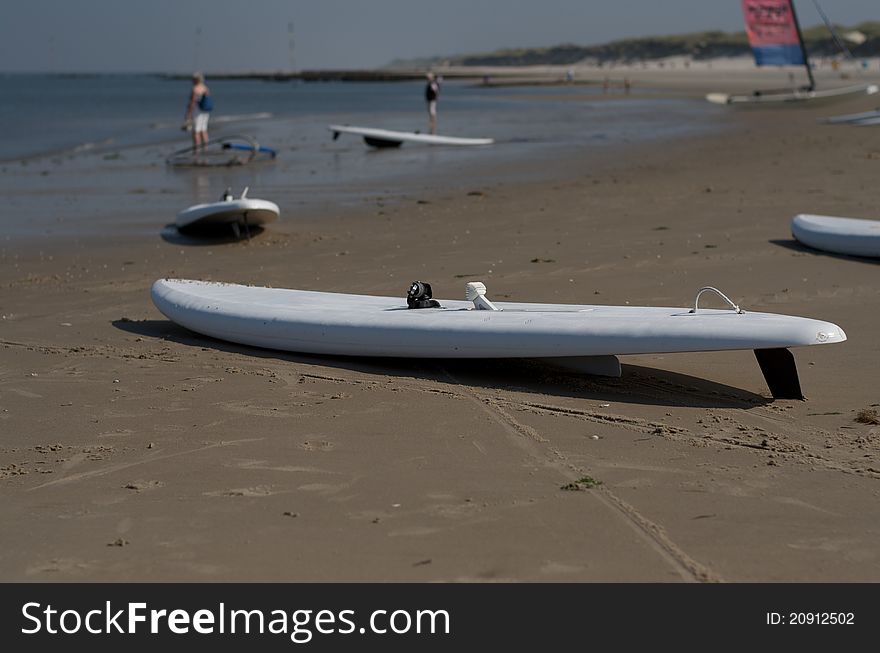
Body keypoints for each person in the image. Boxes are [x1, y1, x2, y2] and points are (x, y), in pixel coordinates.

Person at [184, 72, 213, 149]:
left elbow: (192, 102)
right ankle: (206, 148)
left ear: (196, 80)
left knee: (196, 131)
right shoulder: (205, 88)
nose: (192, 81)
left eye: (193, 79)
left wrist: (188, 113)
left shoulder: (195, 89)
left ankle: (197, 149)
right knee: (203, 130)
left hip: (197, 111)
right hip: (205, 111)